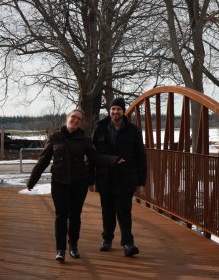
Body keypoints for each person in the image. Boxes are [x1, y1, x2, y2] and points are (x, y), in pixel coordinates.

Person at [27, 109, 120, 262]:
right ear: (67, 118)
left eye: (79, 119)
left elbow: (95, 158)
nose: (76, 120)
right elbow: (43, 160)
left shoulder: (84, 139)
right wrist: (32, 180)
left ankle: (74, 246)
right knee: (61, 215)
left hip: (79, 182)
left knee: (75, 215)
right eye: (73, 117)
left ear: (81, 122)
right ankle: (60, 249)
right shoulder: (56, 137)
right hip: (59, 182)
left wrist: (113, 160)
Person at [91, 97, 147, 257]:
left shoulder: (134, 130)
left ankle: (128, 243)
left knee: (124, 212)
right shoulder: (99, 127)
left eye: (119, 109)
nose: (115, 112)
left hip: (126, 178)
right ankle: (107, 239)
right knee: (107, 211)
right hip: (104, 177)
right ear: (110, 110)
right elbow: (92, 155)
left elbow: (141, 156)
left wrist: (141, 180)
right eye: (113, 109)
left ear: (124, 112)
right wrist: (90, 179)